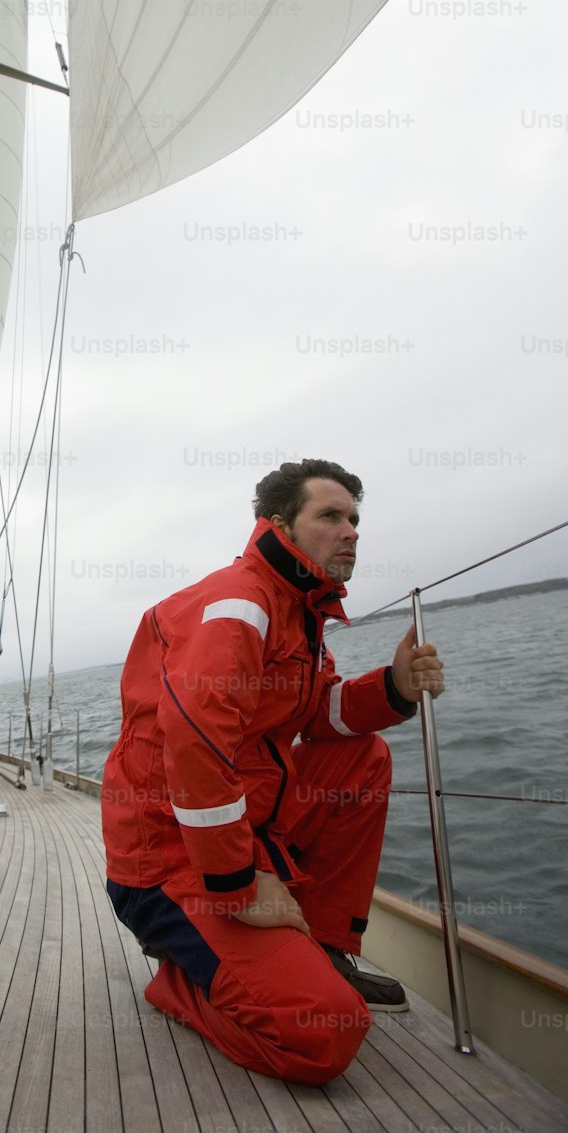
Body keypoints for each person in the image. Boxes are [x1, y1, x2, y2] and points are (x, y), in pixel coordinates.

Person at [101, 459, 444, 1086]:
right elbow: (193, 739)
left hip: (243, 838)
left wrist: (394, 687)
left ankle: (328, 948)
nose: (352, 532)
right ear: (279, 524)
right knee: (325, 1035)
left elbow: (318, 715)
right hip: (169, 862)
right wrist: (238, 884)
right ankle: (180, 987)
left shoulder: (297, 611)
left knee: (363, 757)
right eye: (331, 516)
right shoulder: (241, 605)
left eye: (356, 519)